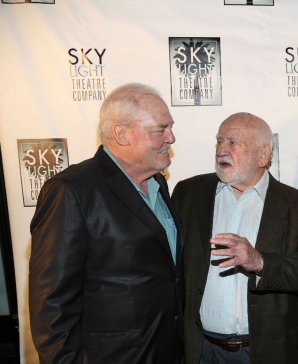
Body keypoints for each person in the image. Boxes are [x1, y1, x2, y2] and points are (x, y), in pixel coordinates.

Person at [29, 83, 184, 363]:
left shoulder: (158, 182)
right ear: (121, 134)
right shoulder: (71, 190)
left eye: (170, 127)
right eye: (160, 130)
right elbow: (51, 305)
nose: (171, 138)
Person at [171, 112, 298, 364]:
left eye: (233, 142)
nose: (222, 150)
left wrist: (260, 262)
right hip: (200, 351)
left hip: (270, 351)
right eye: (219, 141)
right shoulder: (189, 193)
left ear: (263, 154)